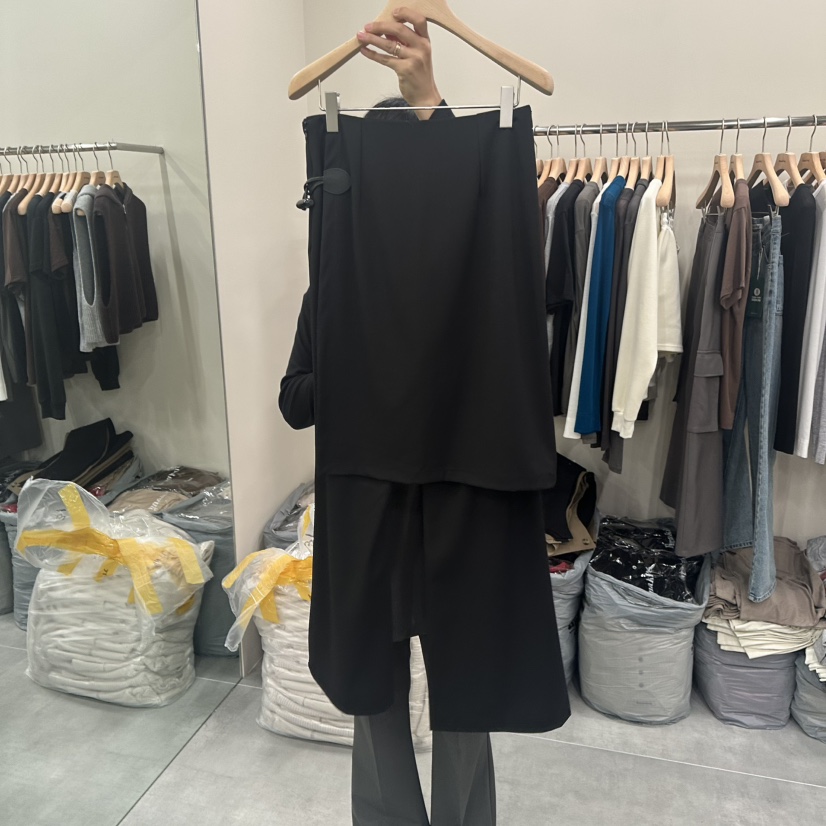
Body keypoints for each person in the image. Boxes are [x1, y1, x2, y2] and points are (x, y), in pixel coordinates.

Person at [281, 8, 568, 824]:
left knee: (467, 687)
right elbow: (295, 401)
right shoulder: (335, 292)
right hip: (370, 495)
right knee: (373, 689)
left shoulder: (482, 265)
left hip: (464, 490)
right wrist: (354, 371)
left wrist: (428, 96)